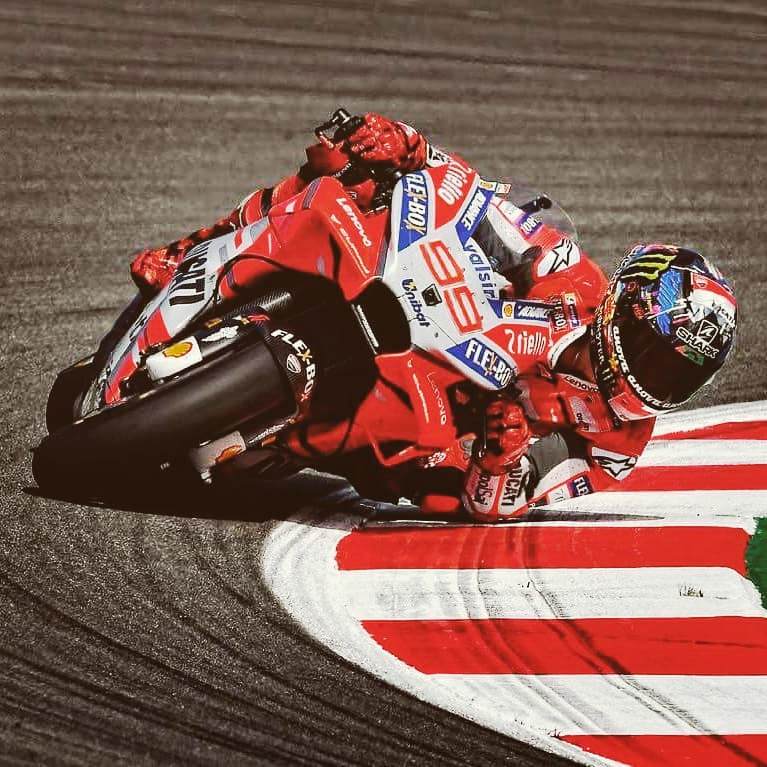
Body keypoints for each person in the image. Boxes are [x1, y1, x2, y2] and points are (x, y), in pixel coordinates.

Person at [130, 113, 738, 521]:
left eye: (679, 374)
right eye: (656, 354)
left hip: (444, 438)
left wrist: (502, 458)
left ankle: (285, 439)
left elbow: (511, 502)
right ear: (624, 309)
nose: (655, 379)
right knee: (341, 172)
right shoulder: (572, 277)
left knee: (428, 478)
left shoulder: (617, 446)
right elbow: (483, 207)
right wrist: (411, 147)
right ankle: (193, 251)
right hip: (437, 315)